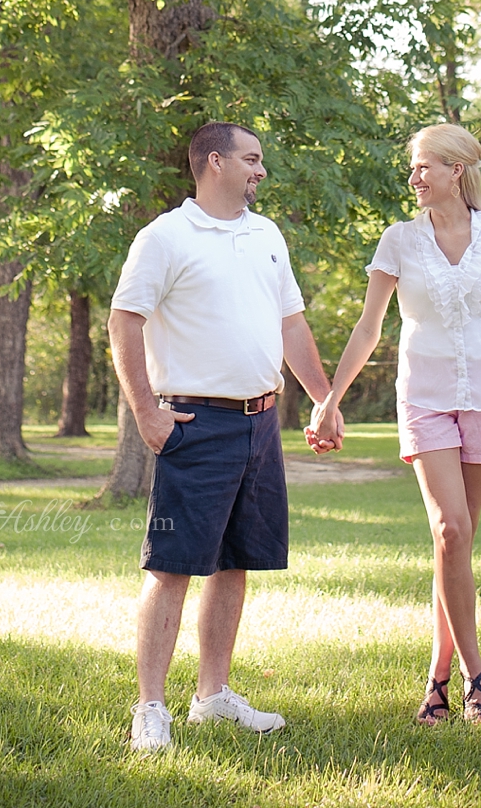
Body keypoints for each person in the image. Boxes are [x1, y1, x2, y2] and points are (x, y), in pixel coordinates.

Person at [307, 123, 481, 724]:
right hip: (425, 396)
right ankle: (474, 679)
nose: (413, 179)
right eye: (412, 169)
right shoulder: (399, 240)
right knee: (451, 531)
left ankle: (436, 676)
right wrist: (331, 398)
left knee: (454, 545)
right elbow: (369, 327)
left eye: (422, 167)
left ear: (456, 170)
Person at [109, 121, 343, 751]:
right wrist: (147, 415)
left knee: (237, 562)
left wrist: (324, 398)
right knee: (172, 567)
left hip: (261, 422)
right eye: (252, 158)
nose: (261, 170)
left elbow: (292, 325)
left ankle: (212, 696)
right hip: (195, 422)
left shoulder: (267, 235)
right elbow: (123, 323)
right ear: (215, 162)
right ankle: (150, 708)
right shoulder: (164, 237)